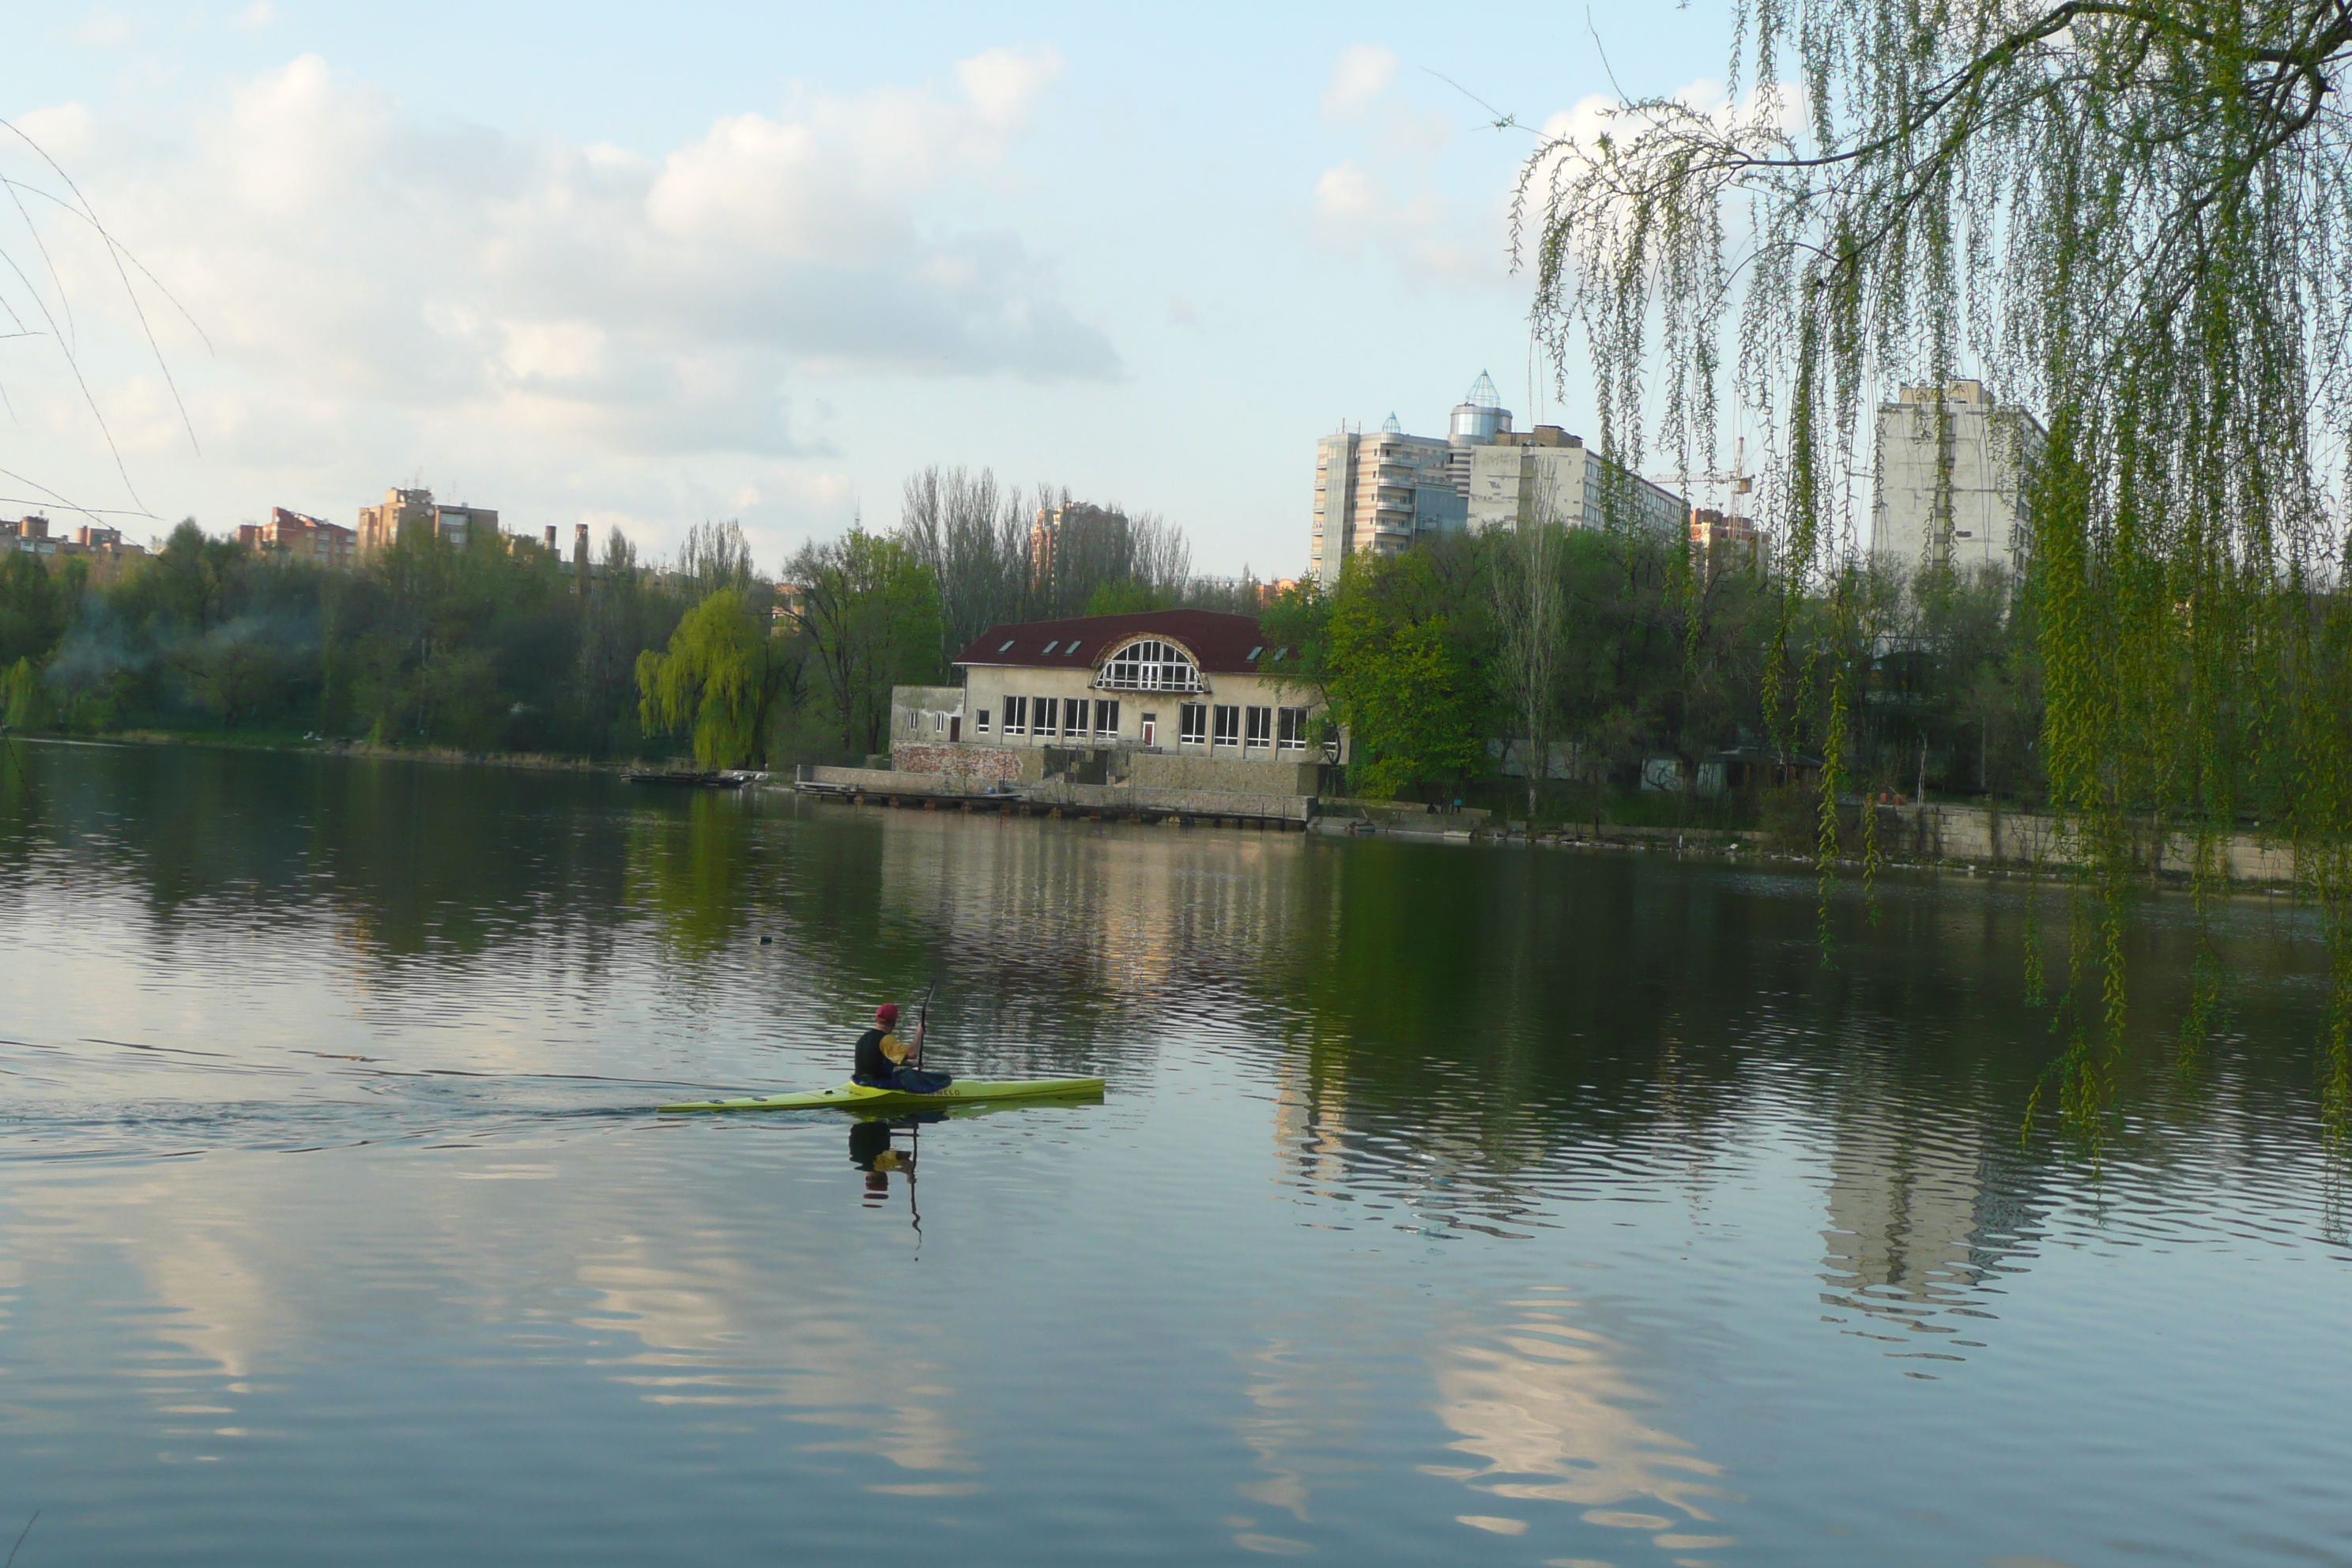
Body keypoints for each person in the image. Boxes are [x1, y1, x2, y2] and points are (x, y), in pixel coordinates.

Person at [851, 1003, 952, 1093]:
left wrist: (910, 1064)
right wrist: (919, 1033)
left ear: (876, 1019)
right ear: (893, 1022)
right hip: (877, 1084)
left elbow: (877, 1061)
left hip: (860, 1081)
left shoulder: (863, 1038)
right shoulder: (886, 1039)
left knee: (905, 1071)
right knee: (914, 1075)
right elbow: (912, 1054)